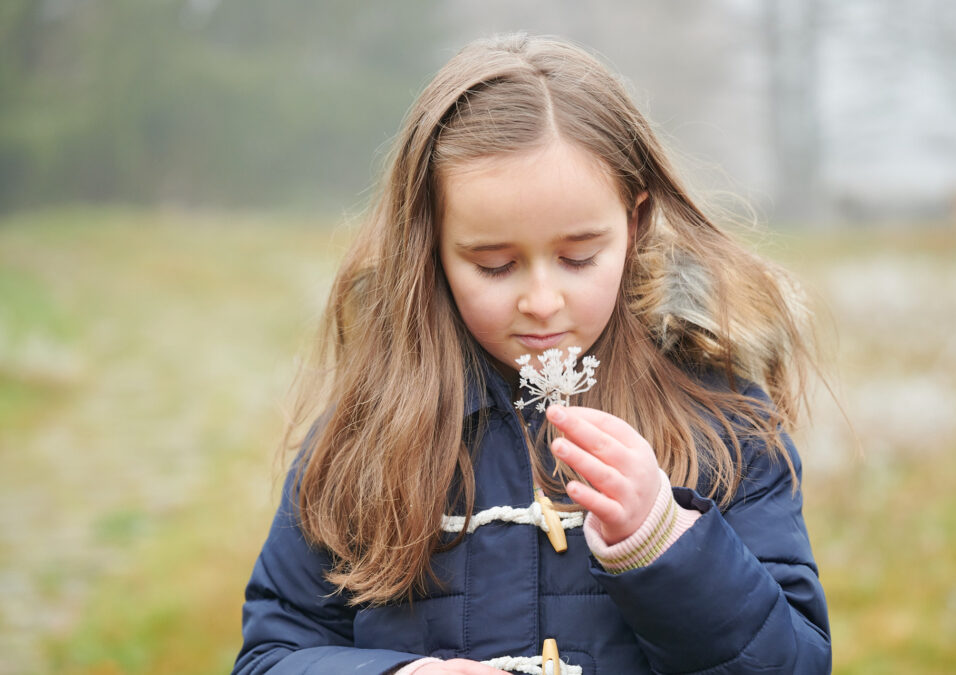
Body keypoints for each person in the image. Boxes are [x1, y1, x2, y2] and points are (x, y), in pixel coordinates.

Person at [234, 34, 830, 675]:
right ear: (430, 246)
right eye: (495, 265)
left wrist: (663, 541)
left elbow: (790, 663)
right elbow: (273, 653)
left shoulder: (721, 421)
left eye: (578, 258)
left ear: (635, 223)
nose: (542, 301)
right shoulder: (366, 434)